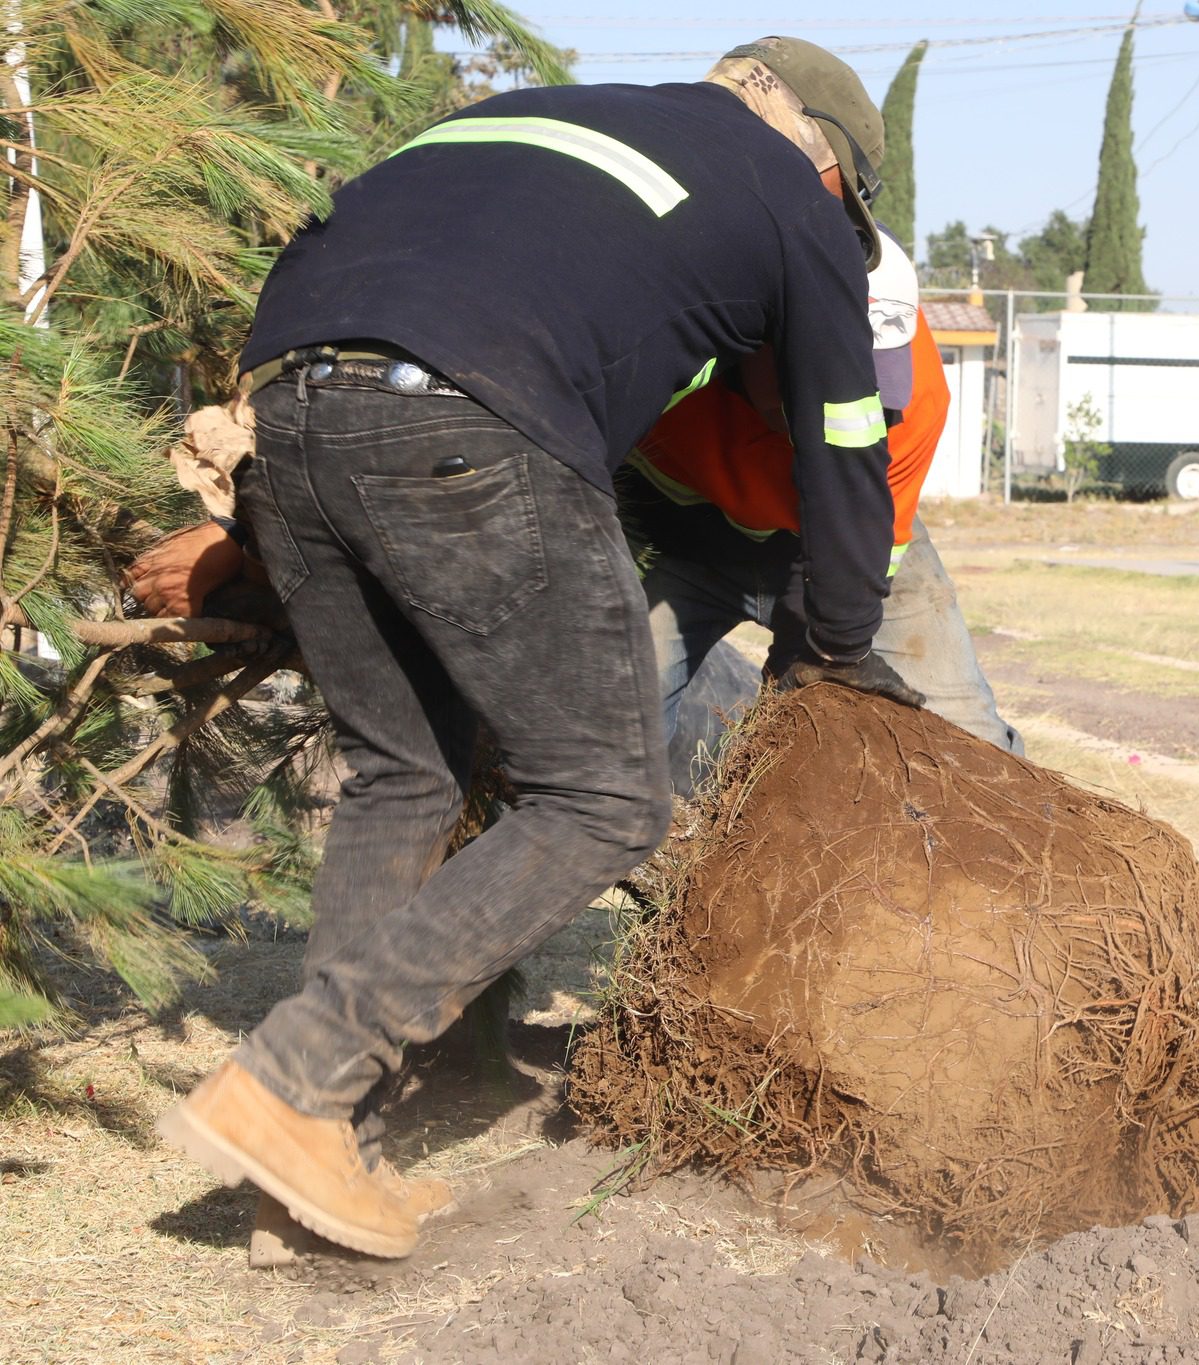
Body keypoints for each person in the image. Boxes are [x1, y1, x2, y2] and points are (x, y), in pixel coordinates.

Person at [146, 37, 910, 1262]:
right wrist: (837, 646)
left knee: (405, 775)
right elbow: (840, 437)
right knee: (604, 797)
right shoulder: (784, 195)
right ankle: (294, 1077)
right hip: (469, 419)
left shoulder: (523, 119)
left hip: (284, 415)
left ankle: (309, 1164)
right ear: (825, 164)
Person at [629, 227, 1022, 788]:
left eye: (861, 376)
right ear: (749, 333)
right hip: (679, 539)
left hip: (847, 542)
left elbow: (857, 556)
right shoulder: (661, 364)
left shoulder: (917, 401)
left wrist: (820, 647)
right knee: (603, 741)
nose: (843, 395)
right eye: (812, 370)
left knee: (972, 751)